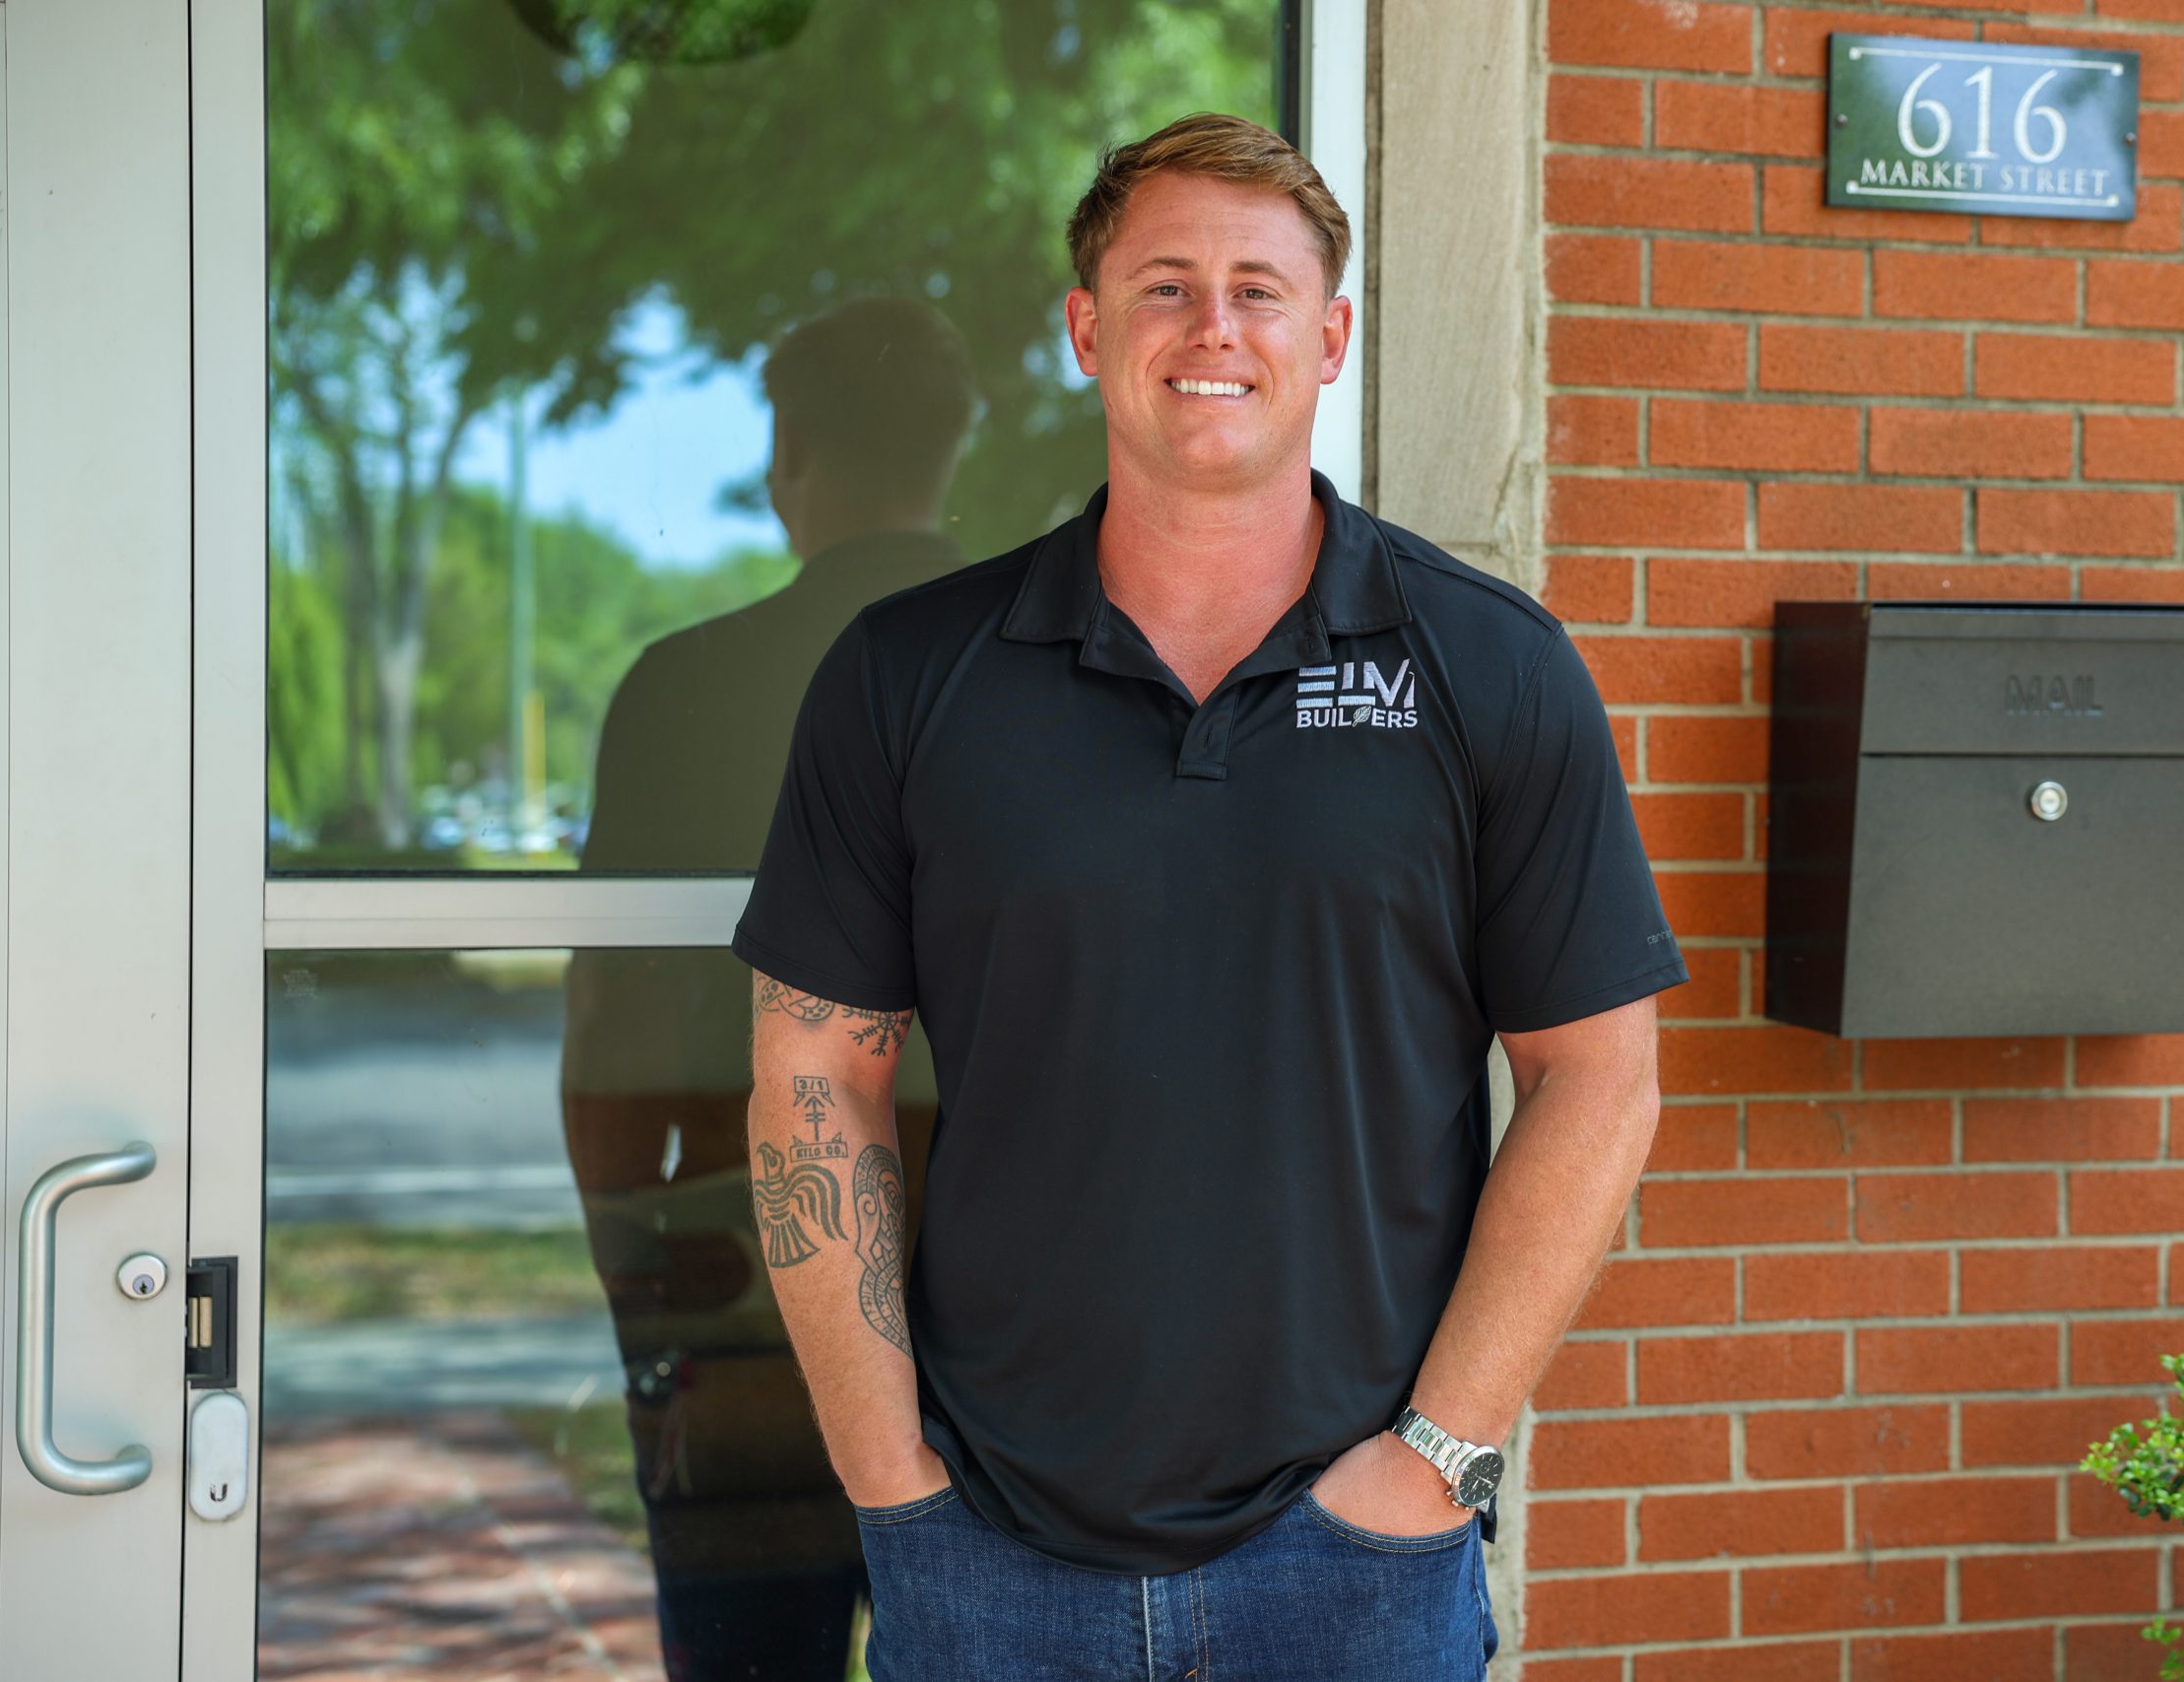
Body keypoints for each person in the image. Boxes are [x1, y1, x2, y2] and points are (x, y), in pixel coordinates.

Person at [734, 112, 1686, 1680]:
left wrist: (1434, 1463)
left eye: (1258, 287)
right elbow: (814, 1073)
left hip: (1357, 1567)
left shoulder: (1488, 668)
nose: (1213, 328)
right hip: (986, 1556)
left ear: (1332, 336)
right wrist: (888, 1479)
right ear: (1088, 329)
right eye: (1164, 285)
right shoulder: (910, 677)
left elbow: (1598, 1073)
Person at [557, 297, 975, 1678]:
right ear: (960, 442)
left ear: (786, 457)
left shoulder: (681, 691)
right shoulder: (1052, 678)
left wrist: (642, 1304)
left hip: (744, 1285)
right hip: (1013, 1308)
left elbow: (611, 1038)